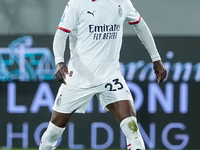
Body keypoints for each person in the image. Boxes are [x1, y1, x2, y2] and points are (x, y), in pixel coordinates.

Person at [39, 0, 167, 149]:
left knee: (132, 130)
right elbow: (61, 33)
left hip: (110, 76)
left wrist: (156, 58)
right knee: (52, 134)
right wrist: (59, 61)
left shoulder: (122, 2)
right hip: (79, 77)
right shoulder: (77, 3)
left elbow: (140, 25)